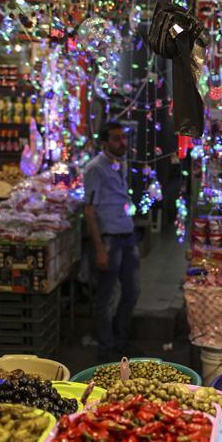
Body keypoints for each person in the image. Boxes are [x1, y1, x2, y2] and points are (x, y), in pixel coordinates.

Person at [84, 121, 140, 359]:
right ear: (105, 142)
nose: (122, 142)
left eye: (123, 137)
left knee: (132, 291)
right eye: (116, 138)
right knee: (106, 296)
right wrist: (99, 249)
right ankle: (106, 346)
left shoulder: (120, 164)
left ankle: (120, 340)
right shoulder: (95, 168)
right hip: (109, 240)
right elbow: (89, 210)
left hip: (127, 235)